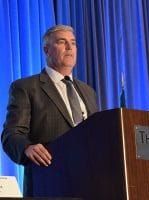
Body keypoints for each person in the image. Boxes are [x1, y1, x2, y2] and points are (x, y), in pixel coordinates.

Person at [1, 25, 99, 196]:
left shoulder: (88, 91)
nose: (69, 48)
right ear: (46, 50)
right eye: (62, 42)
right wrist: (26, 147)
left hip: (89, 185)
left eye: (73, 43)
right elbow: (11, 134)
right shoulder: (26, 87)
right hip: (48, 184)